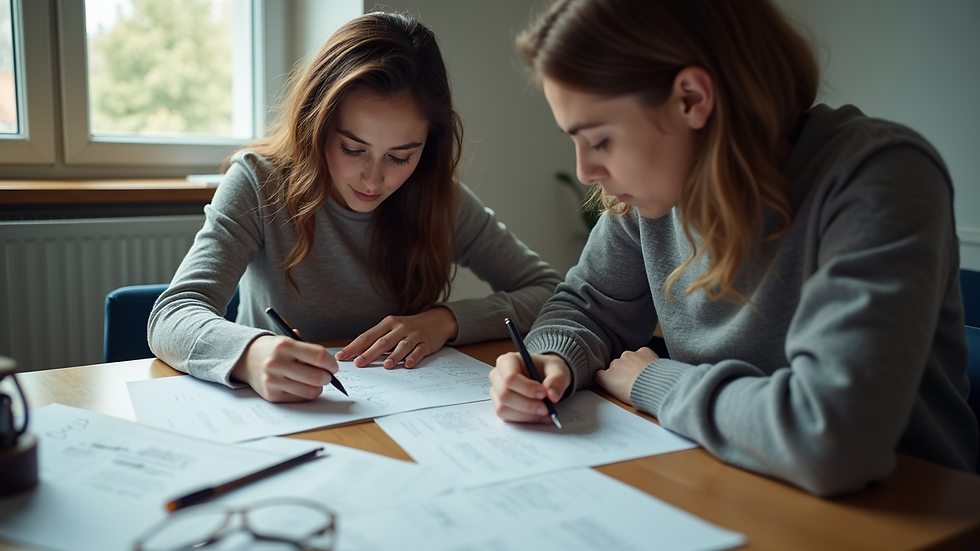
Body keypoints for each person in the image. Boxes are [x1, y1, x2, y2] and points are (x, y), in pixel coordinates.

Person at [489, 0, 978, 496]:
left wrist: (654, 383)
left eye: (599, 141)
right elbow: (588, 306)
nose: (584, 173)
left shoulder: (880, 178)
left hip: (900, 515)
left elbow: (832, 436)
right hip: (731, 483)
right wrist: (552, 359)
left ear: (691, 98)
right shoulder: (654, 193)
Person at [149, 12, 561, 403]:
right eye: (352, 148)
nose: (373, 179)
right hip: (280, 415)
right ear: (316, 125)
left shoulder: (438, 197)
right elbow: (172, 316)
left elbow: (548, 294)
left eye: (400, 156)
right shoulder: (259, 182)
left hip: (409, 411)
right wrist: (251, 355)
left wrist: (444, 321)